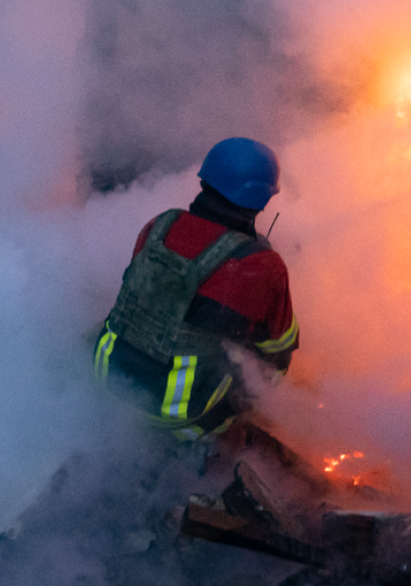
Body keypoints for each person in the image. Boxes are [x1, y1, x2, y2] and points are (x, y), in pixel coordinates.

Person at [93, 137, 298, 440]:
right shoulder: (263, 266)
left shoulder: (159, 225)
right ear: (262, 198)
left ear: (206, 178)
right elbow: (278, 351)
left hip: (107, 379)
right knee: (261, 363)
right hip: (175, 414)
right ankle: (204, 439)